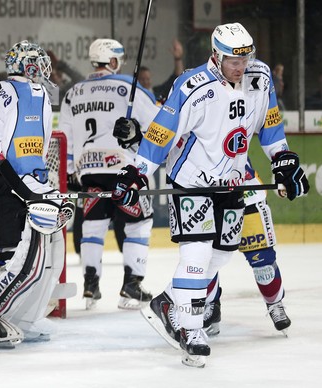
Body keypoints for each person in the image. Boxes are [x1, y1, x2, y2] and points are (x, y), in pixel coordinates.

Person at [112, 22, 309, 367]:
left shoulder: (259, 78)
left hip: (232, 181)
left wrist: (283, 159)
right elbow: (162, 133)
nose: (241, 67)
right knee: (198, 251)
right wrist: (136, 173)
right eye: (234, 60)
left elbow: (271, 126)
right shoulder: (191, 85)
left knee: (221, 254)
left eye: (245, 59)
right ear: (215, 55)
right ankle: (191, 328)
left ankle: (168, 302)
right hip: (192, 181)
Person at [0, 41, 75, 347]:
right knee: (23, 255)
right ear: (31, 66)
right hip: (6, 184)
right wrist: (33, 190)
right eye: (40, 62)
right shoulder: (23, 93)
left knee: (16, 252)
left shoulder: (17, 92)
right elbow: (16, 151)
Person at [59, 38, 160, 310]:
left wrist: (69, 171)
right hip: (123, 169)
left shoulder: (73, 93)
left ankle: (91, 285)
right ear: (113, 61)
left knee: (92, 226)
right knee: (138, 224)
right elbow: (158, 125)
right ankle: (131, 286)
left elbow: (64, 137)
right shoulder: (129, 87)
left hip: (88, 171)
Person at [203, 159, 293, 337]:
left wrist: (284, 169)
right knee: (205, 260)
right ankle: (210, 307)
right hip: (210, 196)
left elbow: (270, 136)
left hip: (247, 193)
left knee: (263, 263)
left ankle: (275, 304)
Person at [138, 39, 184, 103]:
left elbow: (177, 77)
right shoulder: (132, 97)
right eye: (142, 79)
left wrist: (178, 59)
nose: (146, 82)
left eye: (148, 79)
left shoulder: (158, 93)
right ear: (136, 80)